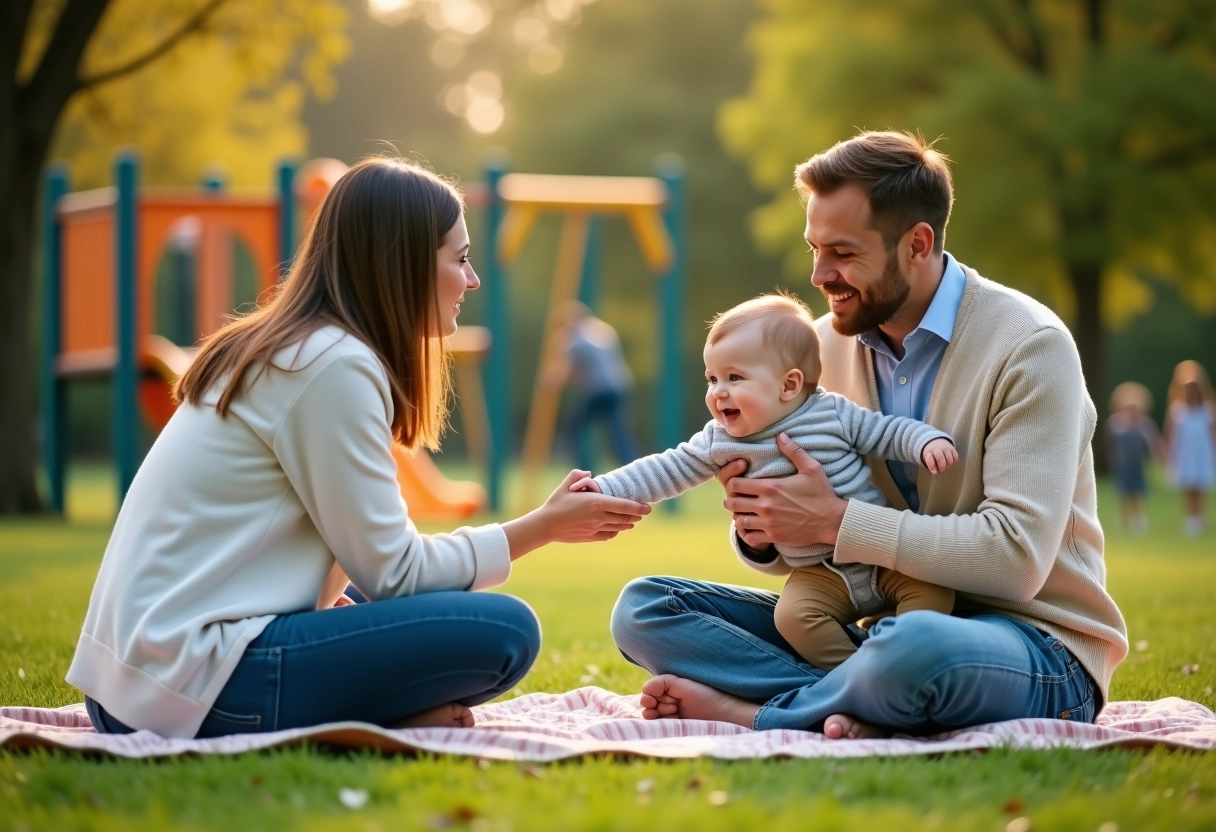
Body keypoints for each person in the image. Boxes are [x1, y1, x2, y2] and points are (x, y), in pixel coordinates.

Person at [66, 158, 650, 740]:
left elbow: (344, 554)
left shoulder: (297, 349)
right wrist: (542, 526)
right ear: (405, 262)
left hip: (138, 683)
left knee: (412, 610)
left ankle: (366, 710)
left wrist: (333, 604)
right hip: (188, 685)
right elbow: (397, 573)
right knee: (503, 631)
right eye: (461, 259)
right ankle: (369, 715)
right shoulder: (330, 365)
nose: (472, 281)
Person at [609, 131, 1128, 740]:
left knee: (918, 647)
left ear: (918, 243)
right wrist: (762, 531)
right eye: (814, 249)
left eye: (843, 253)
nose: (820, 274)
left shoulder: (1030, 348)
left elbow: (1015, 561)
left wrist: (836, 521)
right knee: (646, 611)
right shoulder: (821, 350)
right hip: (871, 621)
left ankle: (757, 713)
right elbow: (809, 554)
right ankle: (859, 694)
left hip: (1032, 644)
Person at [575, 293, 957, 670]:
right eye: (712, 378)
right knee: (792, 619)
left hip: (879, 554)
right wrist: (606, 488)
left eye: (734, 377)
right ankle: (856, 676)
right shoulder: (719, 440)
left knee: (933, 592)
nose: (718, 392)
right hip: (818, 573)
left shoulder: (832, 413)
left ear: (789, 385)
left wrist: (925, 441)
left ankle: (898, 660)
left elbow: (885, 432)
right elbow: (666, 468)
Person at [544, 302, 642, 473]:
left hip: (598, 389)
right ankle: (634, 468)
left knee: (574, 428)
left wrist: (550, 381)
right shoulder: (603, 331)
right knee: (617, 431)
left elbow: (569, 370)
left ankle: (585, 472)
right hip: (620, 387)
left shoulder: (577, 339)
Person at [1164, 361, 1216, 536]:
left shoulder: (1208, 411)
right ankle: (1190, 519)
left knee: (1200, 486)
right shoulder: (1177, 411)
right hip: (1185, 454)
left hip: (1202, 454)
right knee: (1188, 487)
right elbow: (1170, 434)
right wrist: (1169, 453)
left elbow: (1212, 434)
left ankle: (1200, 517)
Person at [1106, 382, 1161, 535]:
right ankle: (1124, 519)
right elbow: (1112, 445)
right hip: (1123, 464)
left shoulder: (1145, 426)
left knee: (1138, 492)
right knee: (1124, 492)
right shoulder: (1117, 424)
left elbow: (1152, 445)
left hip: (1138, 465)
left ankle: (1138, 519)